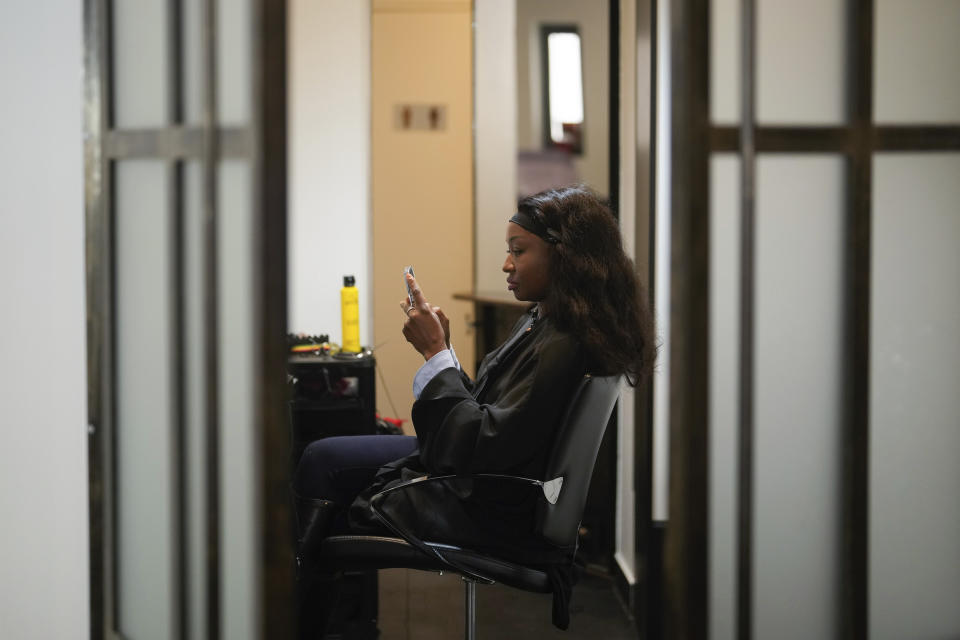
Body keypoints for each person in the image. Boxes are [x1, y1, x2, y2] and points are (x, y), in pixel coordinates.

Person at [293, 184, 656, 636]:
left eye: (518, 251)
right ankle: (330, 616)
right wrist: (441, 351)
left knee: (323, 462)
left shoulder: (563, 343)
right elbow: (490, 418)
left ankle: (306, 618)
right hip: (492, 484)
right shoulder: (549, 323)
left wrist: (435, 354)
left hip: (491, 504)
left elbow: (480, 444)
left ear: (564, 256)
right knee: (327, 457)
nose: (506, 264)